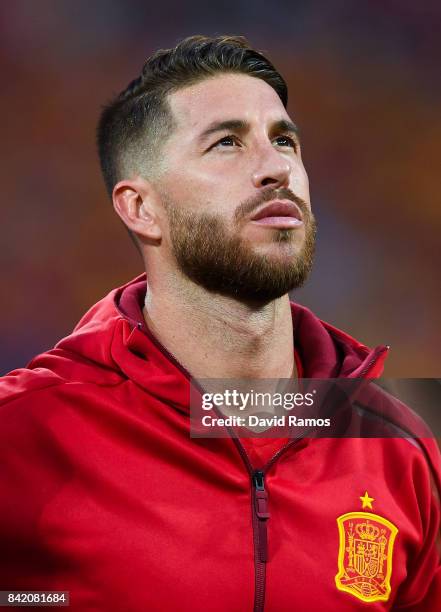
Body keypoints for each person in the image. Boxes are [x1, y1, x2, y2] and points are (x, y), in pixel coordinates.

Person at [0, 35, 439, 611]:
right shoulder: (24, 434)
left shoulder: (399, 447)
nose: (275, 168)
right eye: (227, 143)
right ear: (141, 208)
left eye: (284, 141)